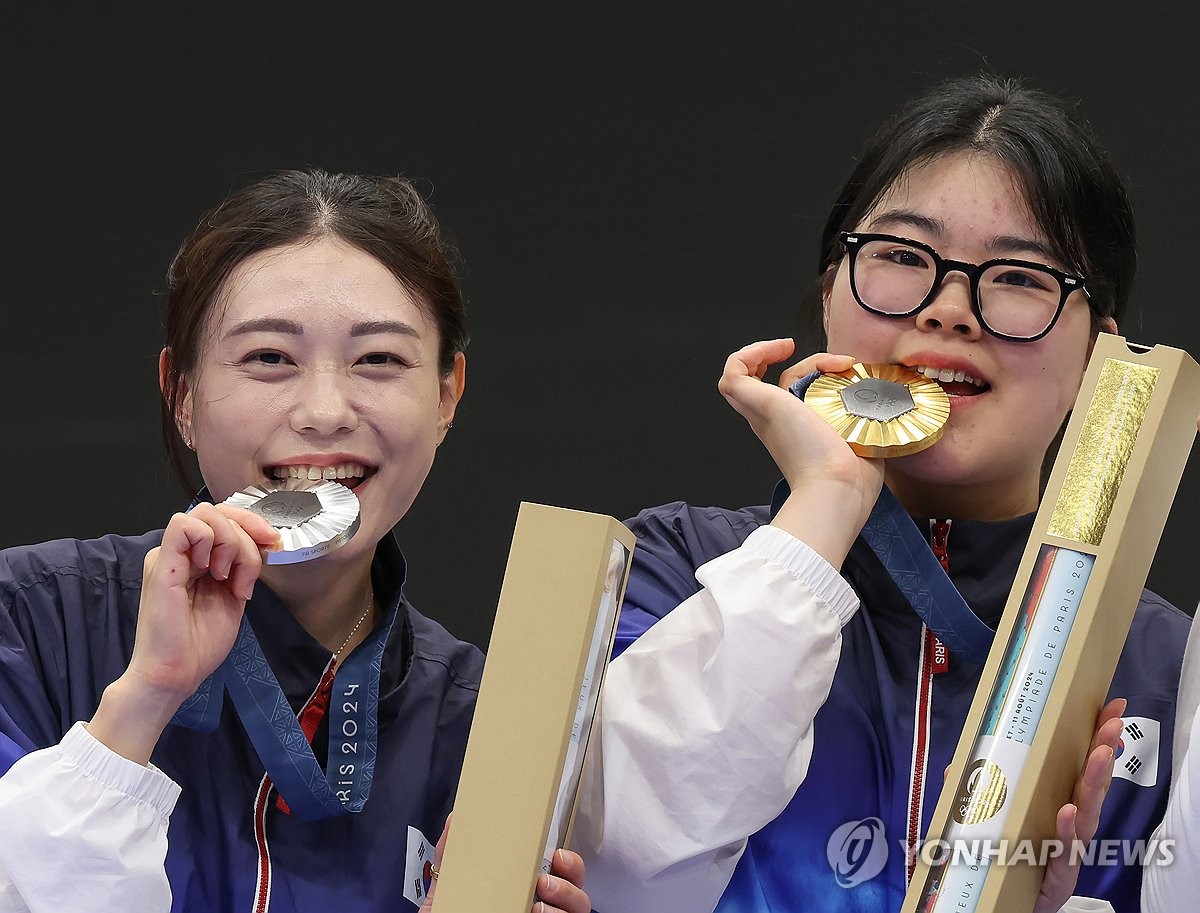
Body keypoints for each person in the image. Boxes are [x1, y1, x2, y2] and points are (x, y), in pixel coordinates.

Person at [572, 75, 1190, 913]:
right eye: (902, 257)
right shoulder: (672, 569)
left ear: (1102, 356)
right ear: (830, 291)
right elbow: (614, 855)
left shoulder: (1167, 670)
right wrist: (825, 500)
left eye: (1018, 275)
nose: (947, 310)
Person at [0, 170, 589, 913]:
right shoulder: (26, 625)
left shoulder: (488, 730)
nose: (323, 411)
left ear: (445, 396)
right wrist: (142, 701)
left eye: (378, 359)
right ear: (180, 393)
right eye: (269, 358)